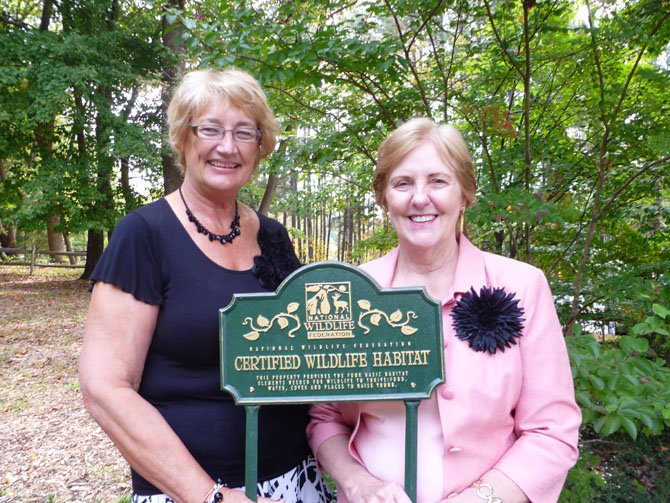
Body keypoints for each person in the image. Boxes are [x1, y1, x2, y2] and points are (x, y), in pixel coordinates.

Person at [79, 68, 333, 503]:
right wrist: (207, 495)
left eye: (244, 133)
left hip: (296, 480)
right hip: (192, 492)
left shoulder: (274, 237)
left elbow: (304, 358)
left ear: (260, 146)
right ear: (184, 137)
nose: (227, 146)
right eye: (210, 129)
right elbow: (104, 388)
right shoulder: (144, 234)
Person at [307, 118, 581, 503]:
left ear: (465, 194)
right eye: (403, 184)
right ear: (384, 197)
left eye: (438, 181)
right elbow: (325, 418)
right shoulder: (348, 294)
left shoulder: (522, 285)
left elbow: (552, 431)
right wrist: (356, 483)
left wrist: (480, 498)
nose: (420, 198)